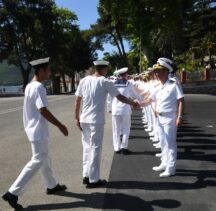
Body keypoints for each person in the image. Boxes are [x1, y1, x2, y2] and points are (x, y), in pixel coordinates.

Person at [1, 57, 68, 210]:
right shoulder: (38, 87)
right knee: (38, 159)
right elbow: (42, 110)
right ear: (42, 70)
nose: (50, 72)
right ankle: (13, 192)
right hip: (38, 130)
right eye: (49, 69)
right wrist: (60, 125)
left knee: (45, 157)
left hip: (34, 129)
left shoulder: (30, 86)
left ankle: (52, 185)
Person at [75, 60, 139, 188]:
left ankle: (86, 175)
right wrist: (133, 103)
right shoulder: (105, 81)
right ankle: (94, 179)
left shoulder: (84, 80)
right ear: (104, 69)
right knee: (95, 149)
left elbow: (77, 100)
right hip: (95, 120)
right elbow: (119, 97)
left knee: (87, 148)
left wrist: (76, 117)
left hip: (84, 119)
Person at [151, 58, 184, 177]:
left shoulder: (174, 84)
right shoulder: (159, 86)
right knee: (163, 142)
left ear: (165, 72)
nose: (156, 74)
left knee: (170, 144)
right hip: (159, 118)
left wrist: (180, 117)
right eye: (156, 72)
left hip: (170, 118)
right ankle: (164, 163)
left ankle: (171, 168)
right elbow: (153, 99)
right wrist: (154, 109)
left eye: (158, 71)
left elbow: (180, 101)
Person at [111, 67, 141, 155]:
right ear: (125, 75)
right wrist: (141, 99)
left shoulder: (113, 83)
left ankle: (116, 148)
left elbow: (109, 99)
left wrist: (109, 108)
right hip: (125, 109)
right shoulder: (128, 84)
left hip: (115, 109)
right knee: (126, 128)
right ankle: (124, 147)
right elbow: (134, 94)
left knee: (116, 129)